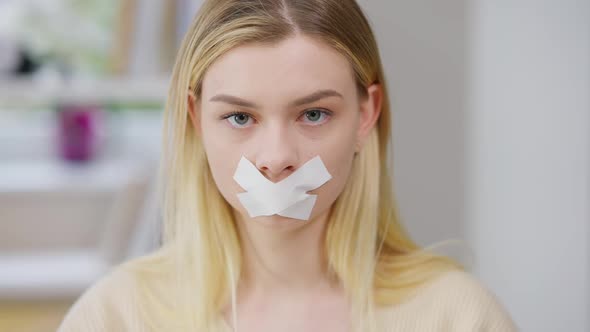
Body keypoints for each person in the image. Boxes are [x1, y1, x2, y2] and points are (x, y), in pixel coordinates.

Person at [58, 0, 517, 331]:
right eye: (240, 117)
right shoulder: (117, 316)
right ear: (196, 120)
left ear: (365, 115)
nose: (276, 159)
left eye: (313, 114)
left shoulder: (456, 316)